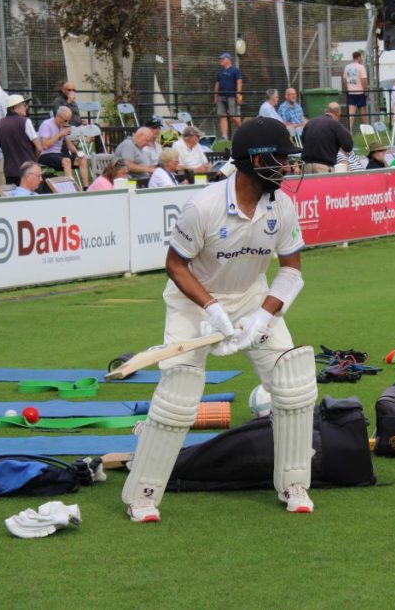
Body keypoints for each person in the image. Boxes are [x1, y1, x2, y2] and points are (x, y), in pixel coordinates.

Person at [122, 117, 316, 523]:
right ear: (256, 161)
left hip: (252, 298)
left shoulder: (281, 205)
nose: (287, 167)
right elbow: (175, 266)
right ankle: (143, 494)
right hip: (193, 304)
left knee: (292, 383)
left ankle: (294, 484)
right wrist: (211, 309)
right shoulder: (204, 206)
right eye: (280, 159)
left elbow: (291, 270)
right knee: (179, 394)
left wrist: (263, 317)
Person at [38, 106, 89, 188]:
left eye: (68, 121)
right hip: (45, 154)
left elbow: (69, 144)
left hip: (58, 154)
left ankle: (86, 188)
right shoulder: (46, 125)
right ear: (58, 116)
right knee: (66, 161)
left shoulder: (63, 126)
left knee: (83, 159)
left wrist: (78, 153)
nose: (66, 123)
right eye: (65, 120)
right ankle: (71, 189)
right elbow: (45, 145)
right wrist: (60, 134)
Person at [0, 94, 40, 186]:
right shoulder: (25, 121)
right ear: (15, 107)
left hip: (8, 171)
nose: (26, 107)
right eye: (24, 105)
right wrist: (34, 160)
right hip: (28, 170)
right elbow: (39, 147)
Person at [299, 102, 353, 174]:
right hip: (324, 166)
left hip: (306, 166)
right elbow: (348, 146)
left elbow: (303, 140)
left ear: (326, 111)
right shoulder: (335, 125)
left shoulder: (310, 122)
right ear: (339, 113)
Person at [214, 52, 243, 138]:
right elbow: (217, 83)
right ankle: (224, 137)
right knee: (222, 115)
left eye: (222, 59)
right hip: (221, 96)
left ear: (228, 60)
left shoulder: (235, 70)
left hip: (231, 96)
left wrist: (238, 95)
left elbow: (239, 82)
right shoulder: (220, 71)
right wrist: (215, 96)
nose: (221, 60)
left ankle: (243, 130)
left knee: (233, 116)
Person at [342, 51, 368, 131]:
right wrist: (365, 89)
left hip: (350, 92)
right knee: (363, 111)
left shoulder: (347, 67)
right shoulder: (361, 67)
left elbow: (344, 80)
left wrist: (347, 88)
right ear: (359, 57)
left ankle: (349, 130)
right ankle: (366, 130)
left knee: (351, 113)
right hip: (360, 92)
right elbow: (363, 80)